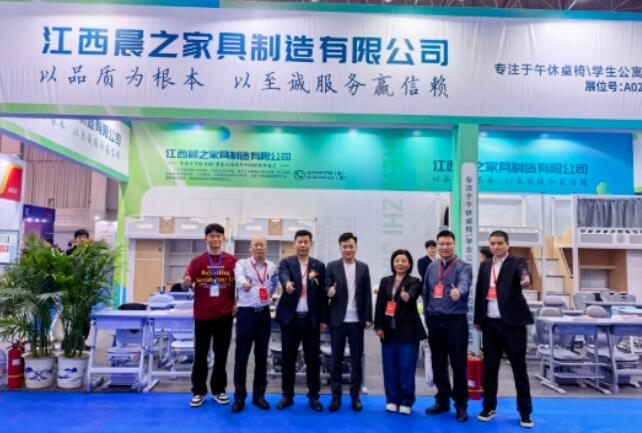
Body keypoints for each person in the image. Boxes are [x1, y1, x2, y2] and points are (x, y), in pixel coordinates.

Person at [474, 230, 534, 428]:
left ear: (508, 245)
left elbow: (524, 272)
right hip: (490, 325)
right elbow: (480, 292)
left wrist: (525, 278)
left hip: (513, 325)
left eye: (500, 243)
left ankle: (525, 412)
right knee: (490, 370)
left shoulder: (517, 262)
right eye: (492, 243)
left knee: (519, 370)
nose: (496, 247)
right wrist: (478, 319)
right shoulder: (485, 266)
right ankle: (488, 407)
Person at [183, 223, 237, 408]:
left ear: (223, 238)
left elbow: (240, 285)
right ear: (205, 238)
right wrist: (186, 282)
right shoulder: (197, 261)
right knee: (200, 355)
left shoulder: (232, 261)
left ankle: (219, 390)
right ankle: (198, 391)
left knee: (221, 356)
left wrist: (237, 304)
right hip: (203, 316)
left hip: (225, 316)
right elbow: (186, 284)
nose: (215, 239)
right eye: (212, 236)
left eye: (218, 236)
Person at [276, 229, 327, 411]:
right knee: (288, 359)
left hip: (311, 320)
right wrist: (286, 284)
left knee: (312, 360)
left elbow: (322, 295)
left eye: (306, 242)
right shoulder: (286, 262)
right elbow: (283, 275)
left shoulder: (318, 266)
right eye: (300, 242)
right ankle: (287, 395)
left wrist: (323, 319)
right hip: (291, 319)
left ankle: (313, 397)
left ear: (310, 244)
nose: (303, 245)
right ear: (294, 243)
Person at [424, 230, 472, 422]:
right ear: (437, 246)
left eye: (448, 243)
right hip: (435, 321)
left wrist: (458, 292)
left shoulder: (463, 267)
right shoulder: (431, 267)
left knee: (459, 365)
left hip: (456, 322)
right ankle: (442, 400)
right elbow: (426, 293)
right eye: (441, 244)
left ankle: (461, 405)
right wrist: (427, 315)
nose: (444, 247)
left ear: (454, 244)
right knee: (438, 364)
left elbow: (464, 284)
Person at [374, 249, 426, 415]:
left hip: (408, 332)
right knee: (390, 368)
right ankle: (391, 400)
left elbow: (413, 294)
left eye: (404, 261)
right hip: (388, 331)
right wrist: (378, 326)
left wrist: (406, 297)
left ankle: (406, 401)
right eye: (397, 260)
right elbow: (380, 305)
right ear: (392, 263)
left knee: (406, 368)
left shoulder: (414, 281)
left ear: (409, 264)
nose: (400, 263)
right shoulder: (385, 281)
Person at [325, 232, 372, 412]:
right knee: (336, 361)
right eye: (344, 246)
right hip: (337, 320)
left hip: (356, 322)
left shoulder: (363, 268)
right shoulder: (332, 266)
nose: (348, 249)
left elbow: (367, 294)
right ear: (340, 248)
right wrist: (329, 291)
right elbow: (326, 286)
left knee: (356, 361)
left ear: (356, 247)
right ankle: (336, 398)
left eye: (351, 246)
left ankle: (355, 398)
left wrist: (368, 317)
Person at [231, 235, 278, 413]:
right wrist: (245, 284)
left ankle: (259, 396)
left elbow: (273, 285)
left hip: (264, 315)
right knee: (241, 357)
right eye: (256, 245)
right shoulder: (242, 264)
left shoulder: (272, 266)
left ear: (266, 248)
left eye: (262, 245)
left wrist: (265, 295)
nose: (259, 248)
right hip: (246, 314)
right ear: (250, 248)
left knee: (261, 357)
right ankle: (239, 397)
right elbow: (238, 277)